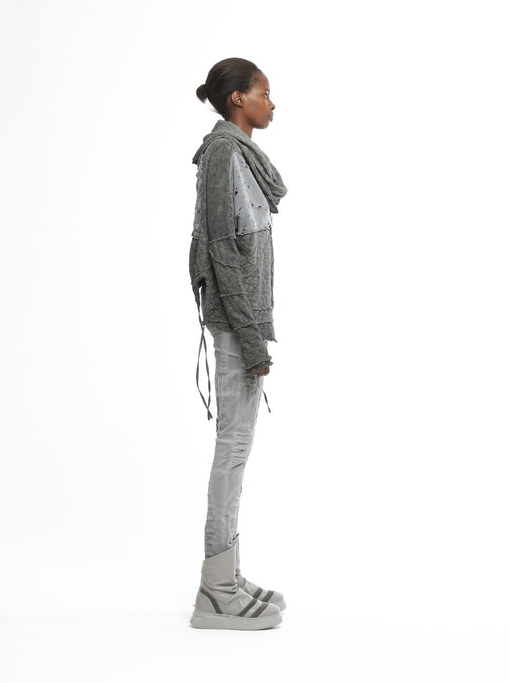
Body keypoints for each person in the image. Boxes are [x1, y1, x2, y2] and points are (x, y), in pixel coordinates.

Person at [188, 57, 289, 630]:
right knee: (232, 447)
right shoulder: (224, 153)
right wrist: (251, 339)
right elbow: (222, 250)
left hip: (245, 320)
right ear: (237, 100)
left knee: (237, 447)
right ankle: (217, 589)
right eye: (264, 93)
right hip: (235, 323)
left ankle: (227, 573)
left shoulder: (238, 155)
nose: (271, 104)